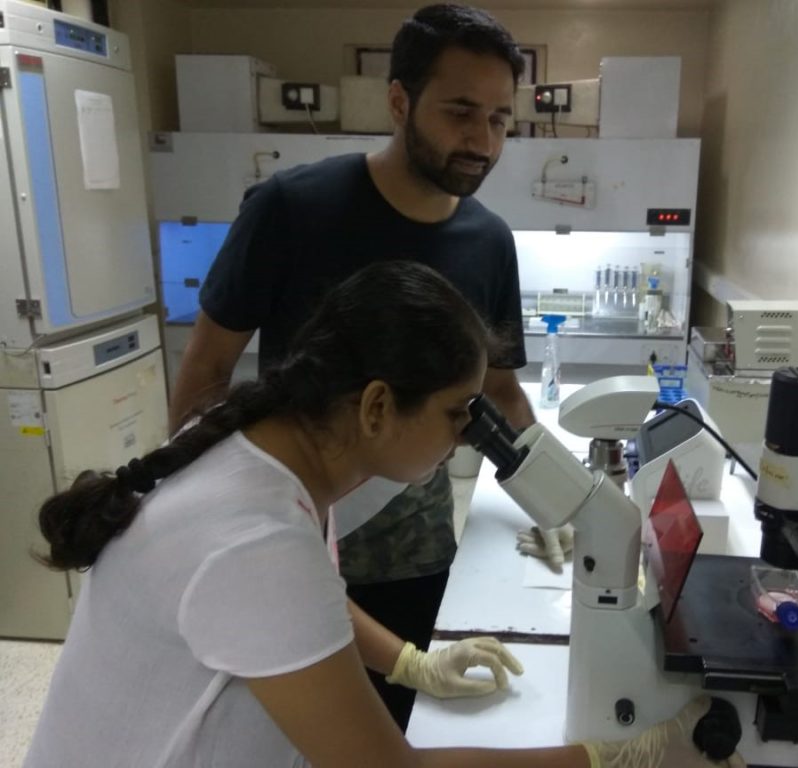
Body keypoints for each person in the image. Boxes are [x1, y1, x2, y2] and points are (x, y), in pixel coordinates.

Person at [26, 263, 742, 768]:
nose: (469, 430)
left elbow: (302, 612)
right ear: (375, 406)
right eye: (457, 411)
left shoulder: (270, 450)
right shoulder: (254, 539)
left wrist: (409, 663)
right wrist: (613, 760)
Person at [167, 4, 556, 730]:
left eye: (501, 120)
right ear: (400, 99)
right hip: (289, 539)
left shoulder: (488, 242)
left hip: (414, 544)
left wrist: (548, 496)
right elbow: (207, 369)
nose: (482, 140)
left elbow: (500, 390)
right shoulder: (292, 209)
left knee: (406, 716)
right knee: (283, 735)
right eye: (461, 112)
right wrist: (206, 516)